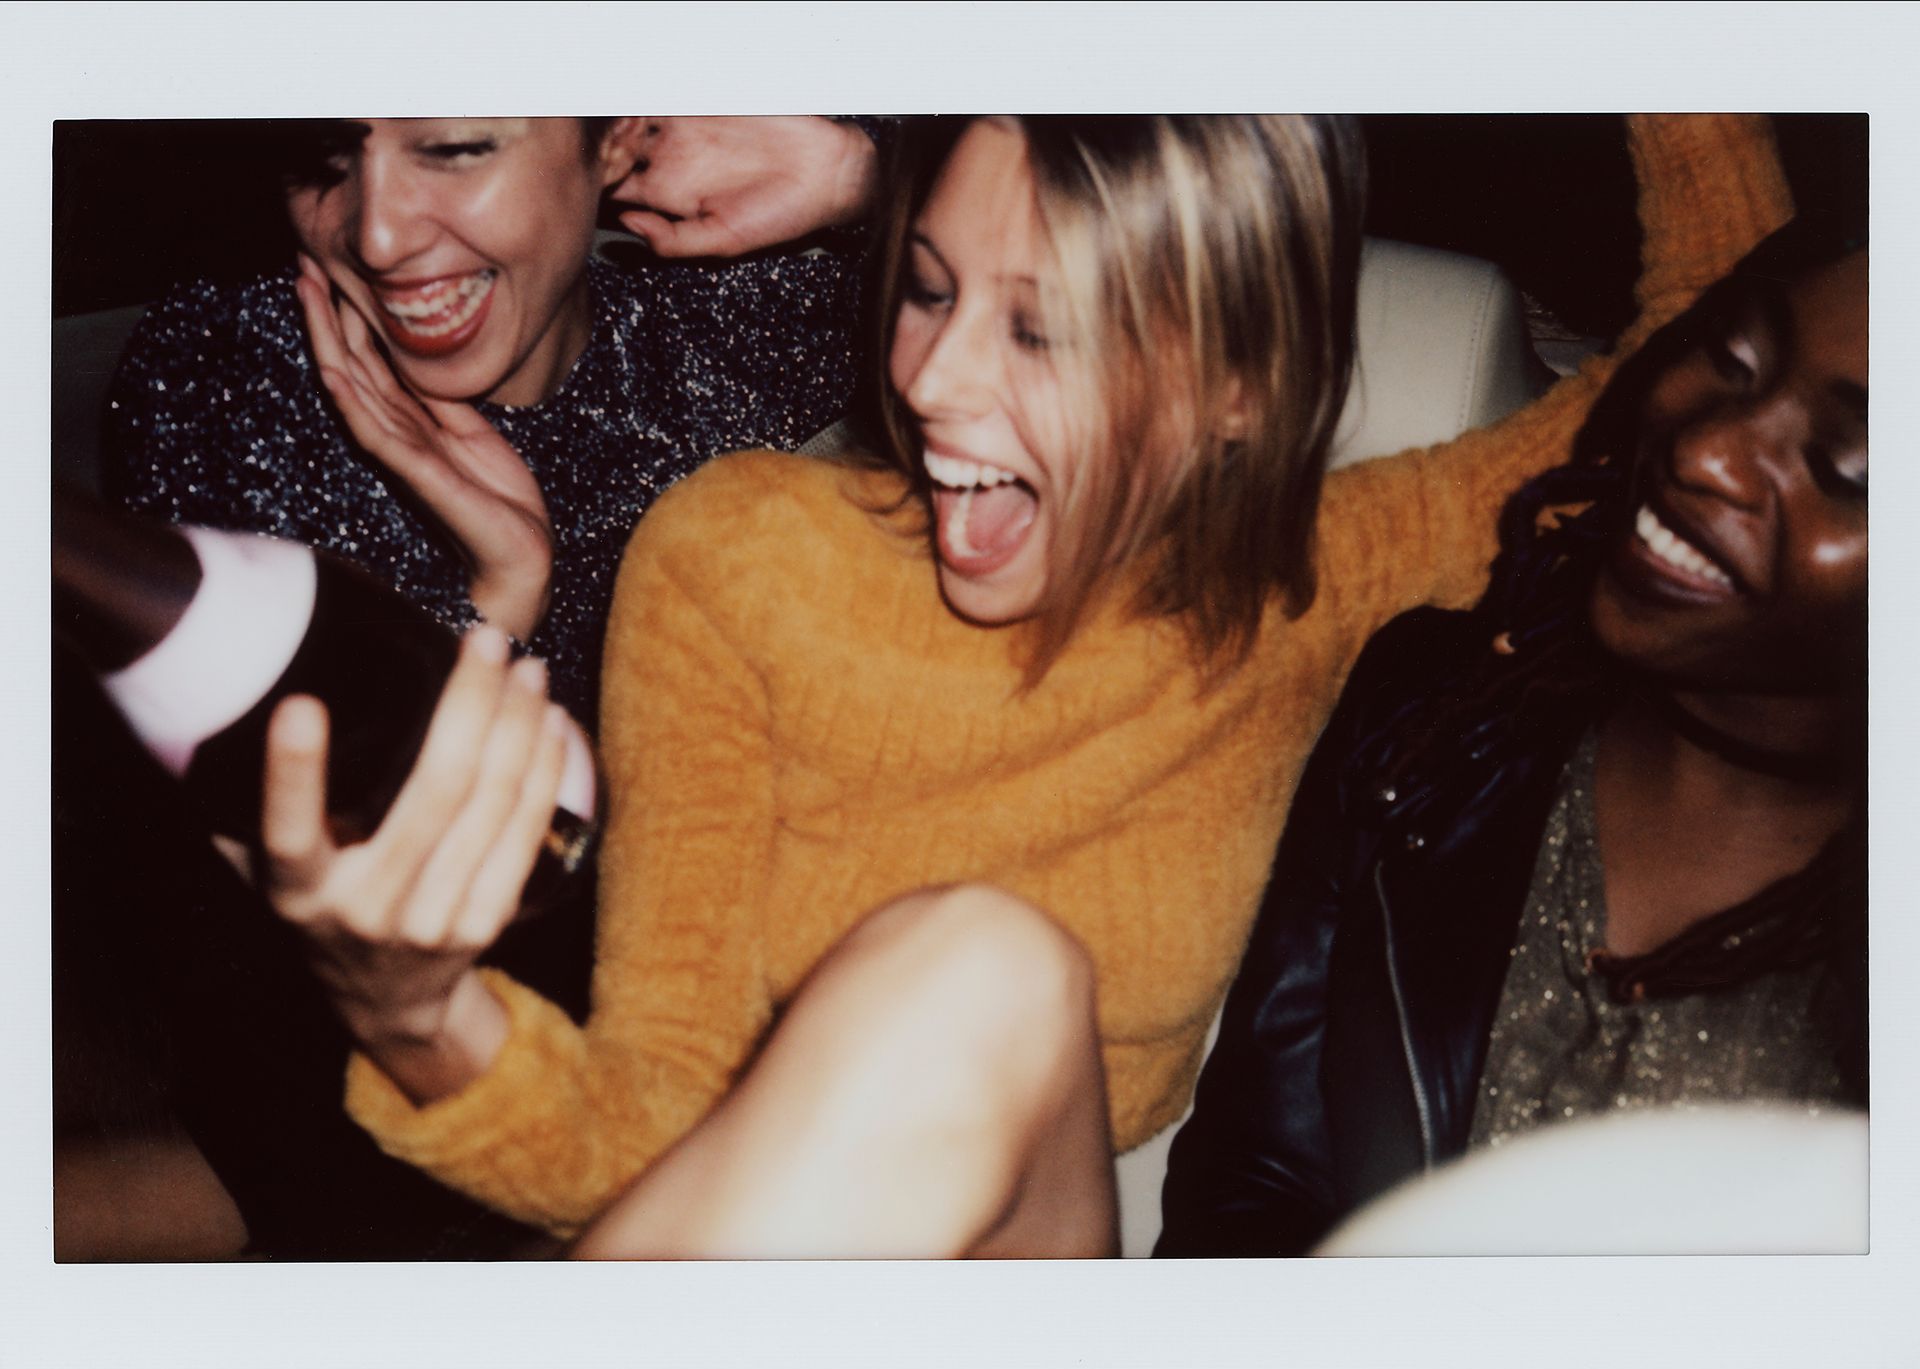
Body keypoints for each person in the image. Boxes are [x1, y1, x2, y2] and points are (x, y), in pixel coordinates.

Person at [249, 114, 1787, 1257]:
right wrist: (419, 1014)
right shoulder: (740, 560)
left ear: (1240, 391)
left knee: (988, 966)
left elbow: (1716, 337)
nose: (930, 382)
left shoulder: (1308, 580)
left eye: (1040, 328)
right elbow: (648, 1131)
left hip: (1031, 1301)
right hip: (738, 1251)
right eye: (927, 292)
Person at [57, 116, 880, 1260]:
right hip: (355, 1033)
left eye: (453, 150)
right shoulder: (227, 376)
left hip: (671, 1008)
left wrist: (862, 164)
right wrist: (495, 607)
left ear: (615, 140)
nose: (379, 235)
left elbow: (1072, 270)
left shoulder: (748, 324)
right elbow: (328, 877)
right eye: (322, 164)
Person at [1155, 214, 1867, 1258]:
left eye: (1846, 467)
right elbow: (1258, 1182)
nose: (1705, 450)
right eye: (1732, 357)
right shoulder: (1434, 721)